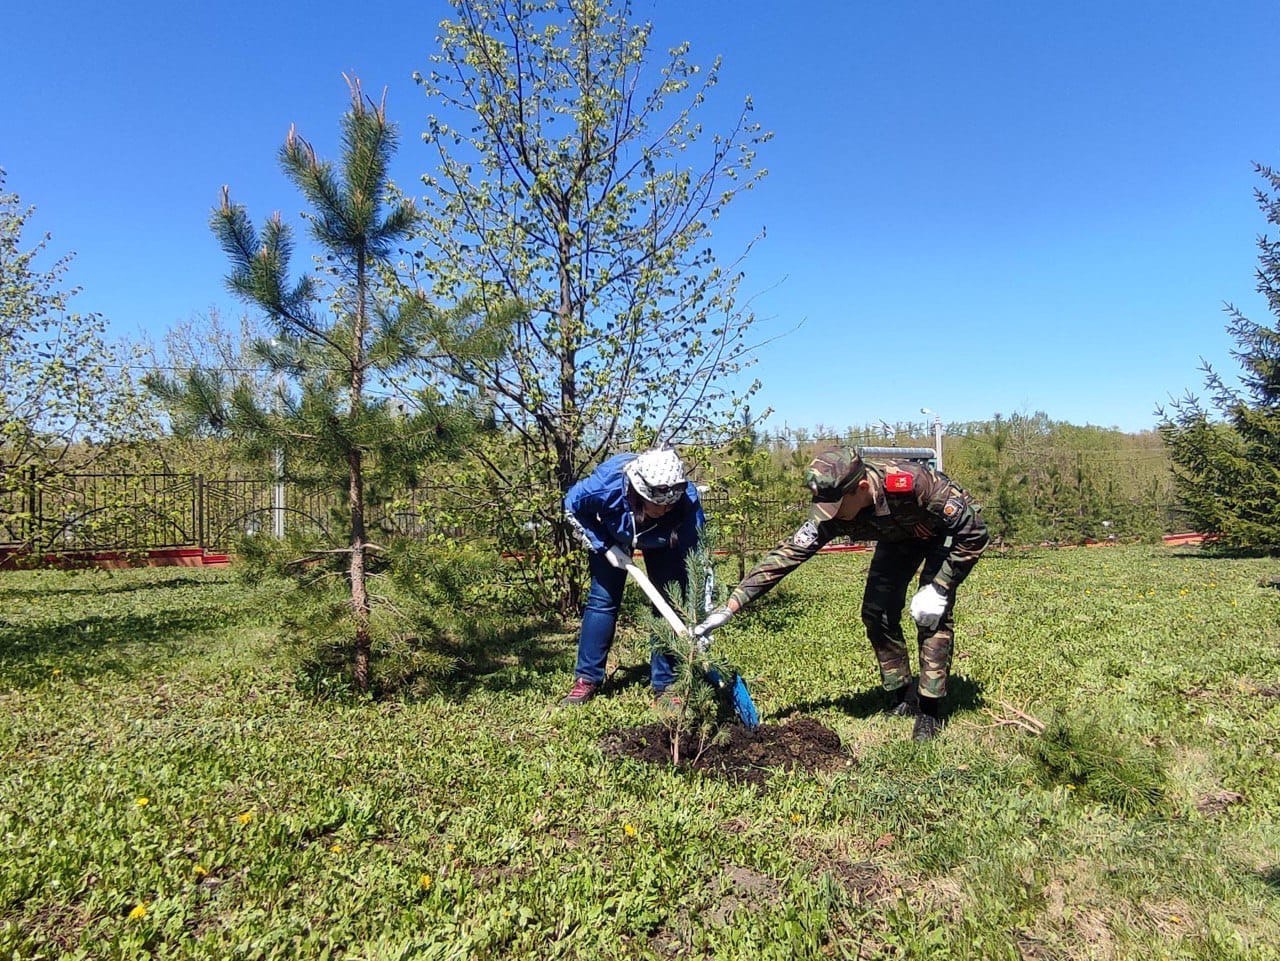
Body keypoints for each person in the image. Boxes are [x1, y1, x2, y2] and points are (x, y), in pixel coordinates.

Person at [694, 447, 988, 740]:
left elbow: (974, 532)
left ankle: (929, 709)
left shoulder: (914, 483)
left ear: (862, 488)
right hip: (897, 539)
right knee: (876, 612)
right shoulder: (833, 506)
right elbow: (787, 555)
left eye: (836, 505)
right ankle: (903, 694)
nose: (830, 515)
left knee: (931, 615)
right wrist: (732, 605)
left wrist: (940, 587)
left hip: (945, 536)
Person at [561, 447, 705, 705]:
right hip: (612, 532)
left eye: (669, 504)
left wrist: (697, 613)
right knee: (602, 601)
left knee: (668, 602)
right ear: (639, 492)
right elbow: (572, 507)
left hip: (663, 540)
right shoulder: (605, 487)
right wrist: (605, 547)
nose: (664, 509)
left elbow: (695, 557)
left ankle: (666, 684)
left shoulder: (687, 501)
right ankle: (587, 679)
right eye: (657, 504)